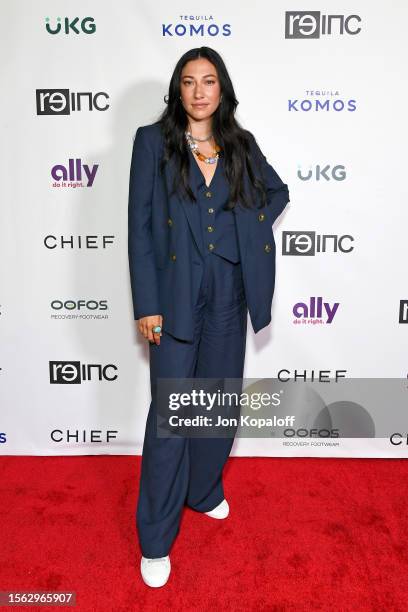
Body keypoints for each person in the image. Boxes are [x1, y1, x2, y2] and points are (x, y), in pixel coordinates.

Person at [128, 46, 290, 587]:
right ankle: (155, 538)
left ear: (222, 90)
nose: (200, 91)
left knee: (218, 404)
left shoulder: (241, 145)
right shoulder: (153, 143)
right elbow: (141, 228)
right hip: (173, 293)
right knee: (172, 417)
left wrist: (248, 227)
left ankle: (202, 490)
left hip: (228, 290)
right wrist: (146, 303)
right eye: (190, 81)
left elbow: (276, 190)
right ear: (178, 89)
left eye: (210, 81)